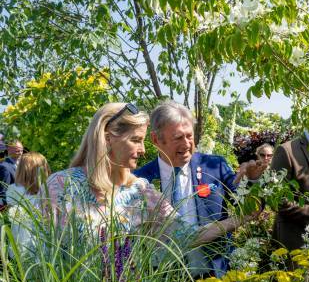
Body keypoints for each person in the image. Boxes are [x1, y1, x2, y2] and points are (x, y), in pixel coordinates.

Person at [41, 102, 256, 261]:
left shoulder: (140, 191)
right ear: (108, 139)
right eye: (135, 140)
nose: (143, 150)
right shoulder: (61, 185)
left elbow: (186, 236)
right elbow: (36, 252)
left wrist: (243, 217)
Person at [134, 100, 266, 277]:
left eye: (189, 136)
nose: (187, 144)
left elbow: (246, 206)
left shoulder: (214, 166)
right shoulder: (141, 179)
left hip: (214, 274)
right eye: (178, 138)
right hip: (162, 278)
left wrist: (253, 180)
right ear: (156, 140)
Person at [5, 152, 51, 258]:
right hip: (45, 243)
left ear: (21, 170)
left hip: (20, 243)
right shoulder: (49, 189)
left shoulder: (13, 189)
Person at [0, 140, 24, 208]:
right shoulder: (5, 167)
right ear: (9, 149)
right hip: (11, 207)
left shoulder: (22, 165)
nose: (20, 153)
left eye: (21, 150)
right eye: (17, 151)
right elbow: (3, 192)